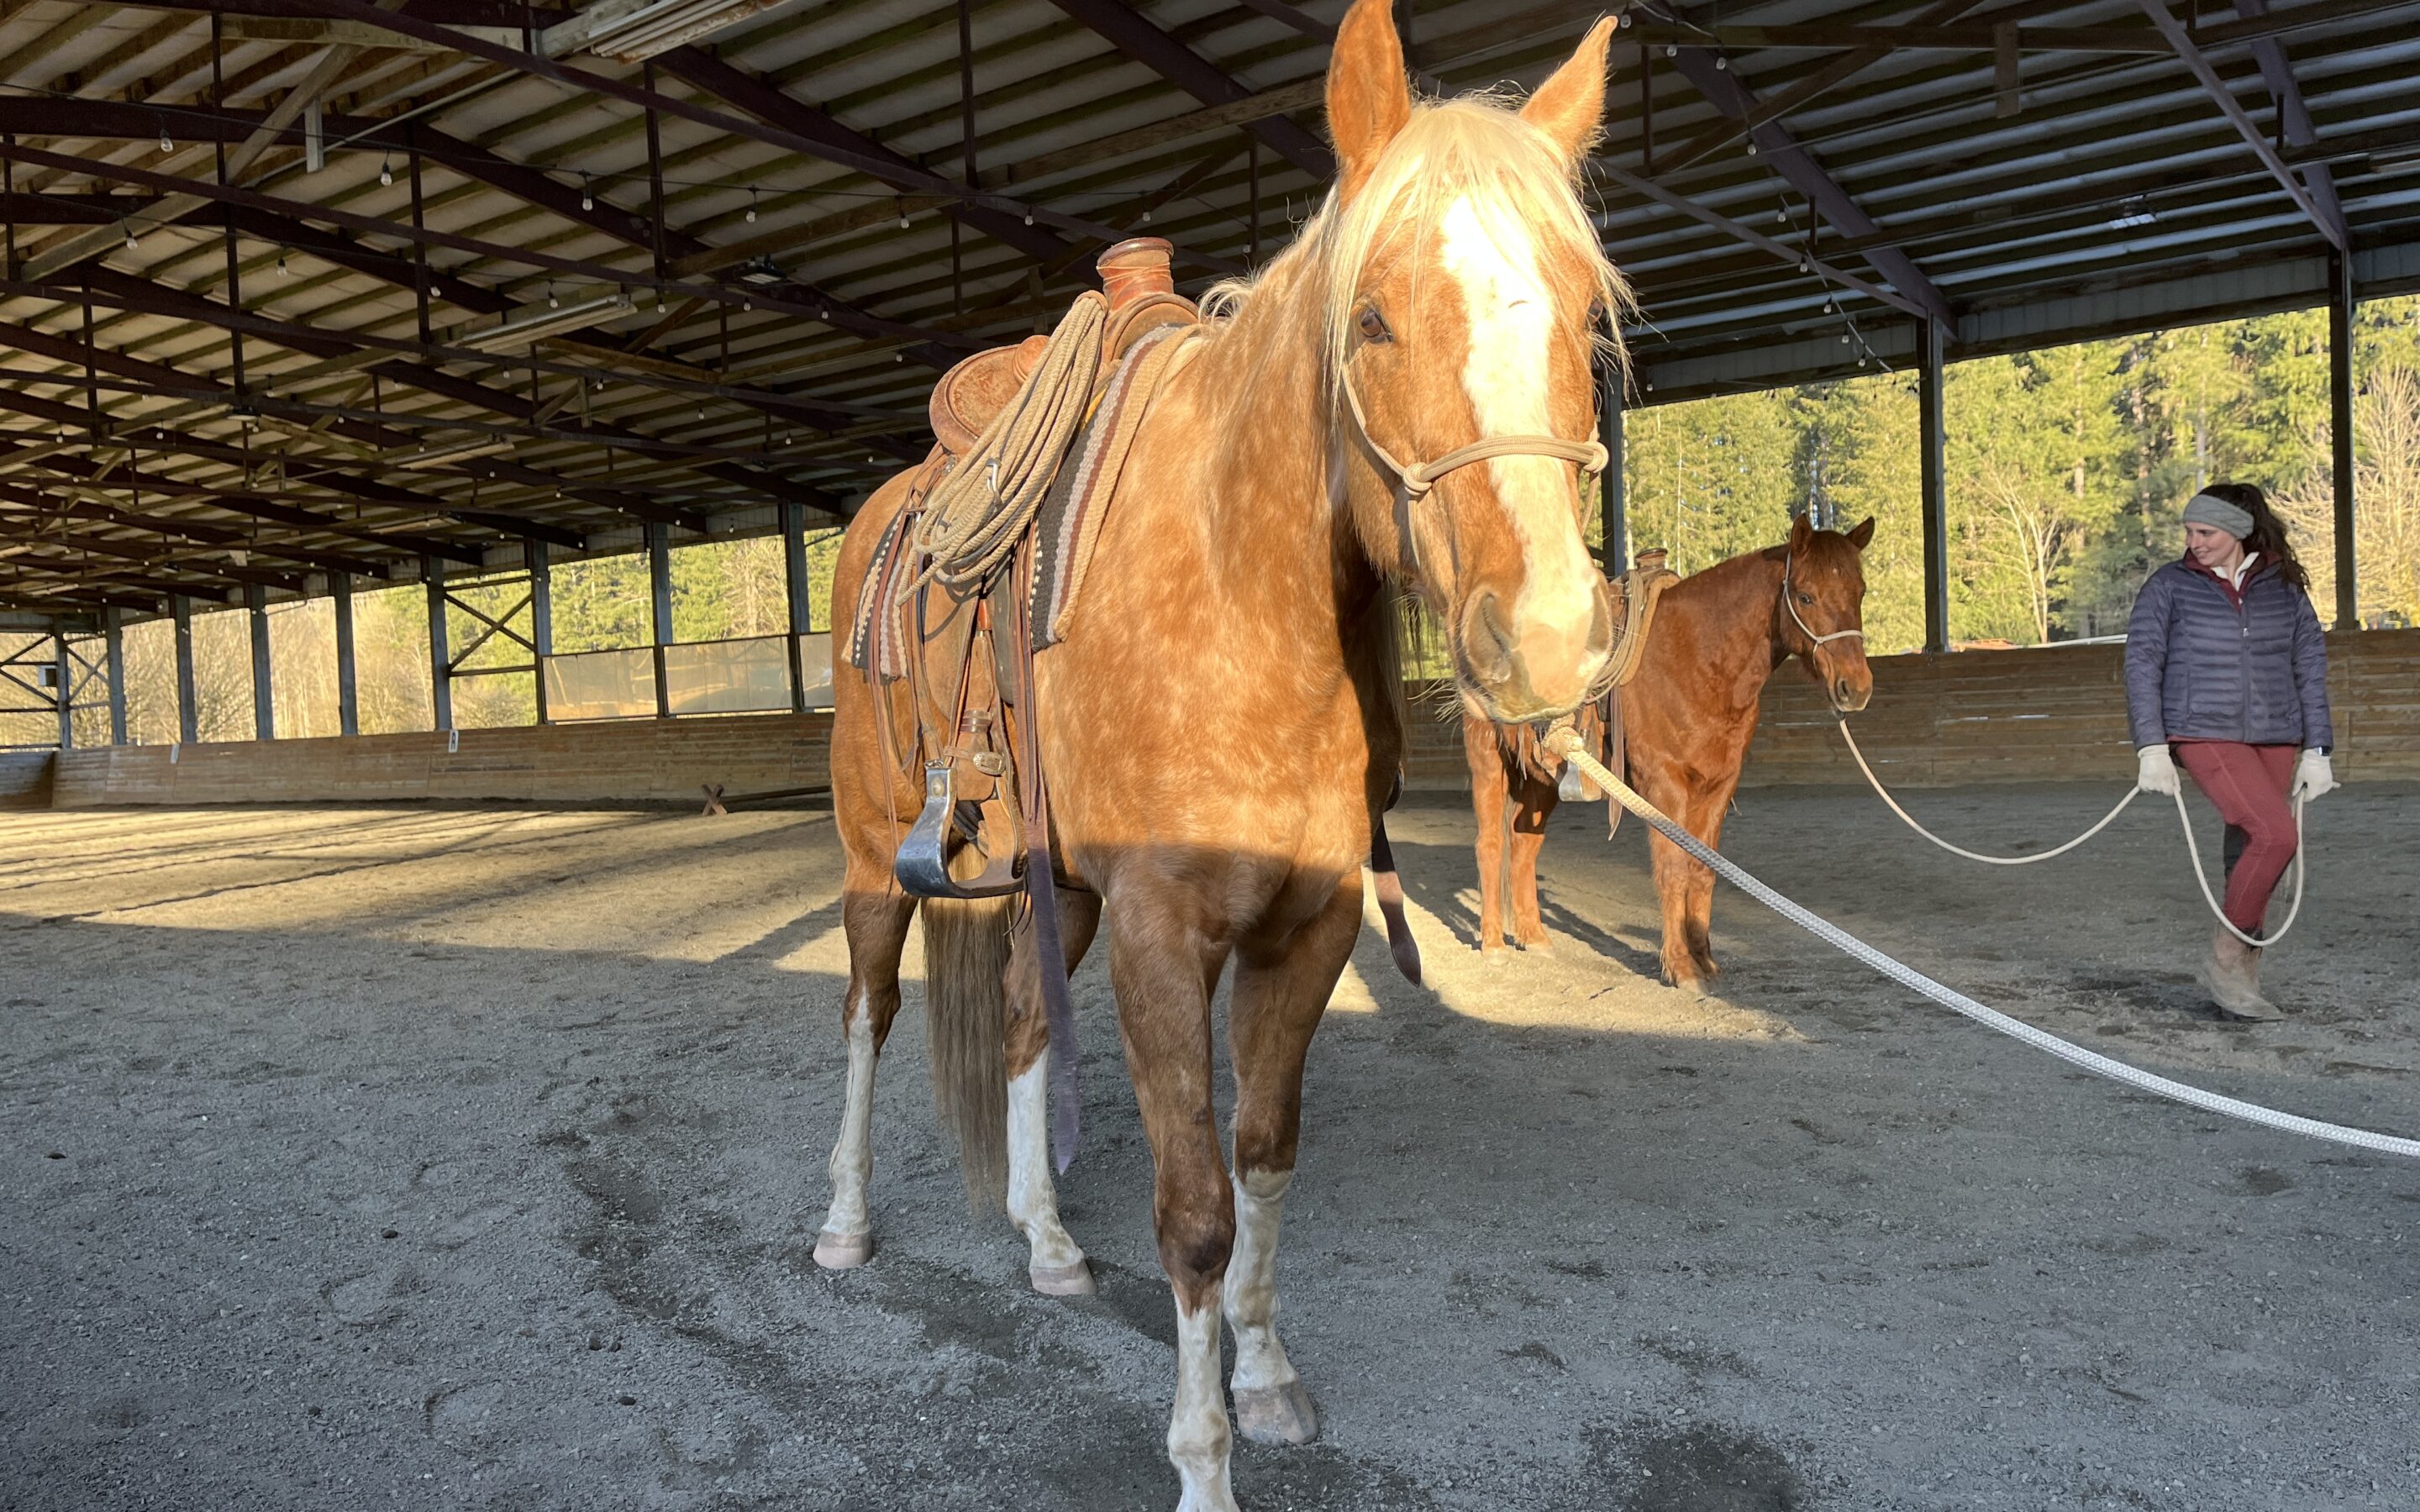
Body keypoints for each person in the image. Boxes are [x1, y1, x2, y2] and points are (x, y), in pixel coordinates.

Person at [2125, 483, 2337, 1021]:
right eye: (2189, 532)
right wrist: (2151, 744)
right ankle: (2226, 954)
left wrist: (2317, 748)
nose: (2194, 543)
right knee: (2276, 834)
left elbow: (2309, 668)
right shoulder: (2168, 587)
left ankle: (2246, 970)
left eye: (2206, 533)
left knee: (2254, 849)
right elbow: (2142, 663)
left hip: (2275, 730)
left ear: (2239, 532)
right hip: (2202, 730)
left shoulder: (2284, 588)